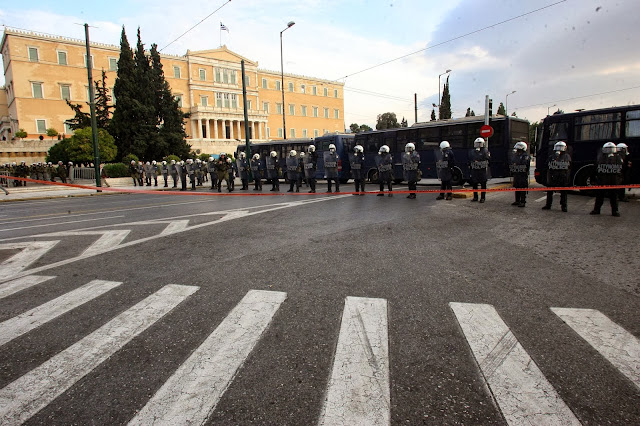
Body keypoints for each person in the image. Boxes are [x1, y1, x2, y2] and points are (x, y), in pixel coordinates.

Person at [590, 142, 623, 217]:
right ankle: (597, 210)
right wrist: (593, 178)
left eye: (611, 149)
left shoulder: (618, 158)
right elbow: (595, 168)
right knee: (599, 196)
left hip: (613, 181)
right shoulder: (600, 157)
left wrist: (619, 179)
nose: (609, 151)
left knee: (614, 197)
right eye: (608, 149)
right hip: (602, 180)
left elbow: (621, 170)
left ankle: (615, 211)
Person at [542, 141, 571, 212]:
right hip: (553, 176)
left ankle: (564, 206)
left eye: (561, 147)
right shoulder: (551, 157)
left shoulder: (567, 156)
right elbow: (546, 165)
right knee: (549, 192)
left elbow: (569, 166)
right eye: (558, 147)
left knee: (563, 193)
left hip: (562, 177)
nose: (559, 149)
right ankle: (548, 205)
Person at [468, 137, 490, 203]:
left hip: (482, 171)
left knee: (483, 184)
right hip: (474, 170)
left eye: (479, 143)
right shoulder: (472, 151)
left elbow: (488, 160)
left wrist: (480, 161)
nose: (478, 145)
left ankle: (482, 198)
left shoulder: (485, 151)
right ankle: (475, 197)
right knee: (474, 184)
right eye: (477, 143)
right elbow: (470, 159)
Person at [510, 141, 530, 207]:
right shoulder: (516, 155)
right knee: (517, 187)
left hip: (522, 174)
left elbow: (525, 164)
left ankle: (523, 201)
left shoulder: (525, 156)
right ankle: (517, 200)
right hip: (516, 173)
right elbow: (513, 161)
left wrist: (517, 164)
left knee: (522, 188)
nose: (518, 149)